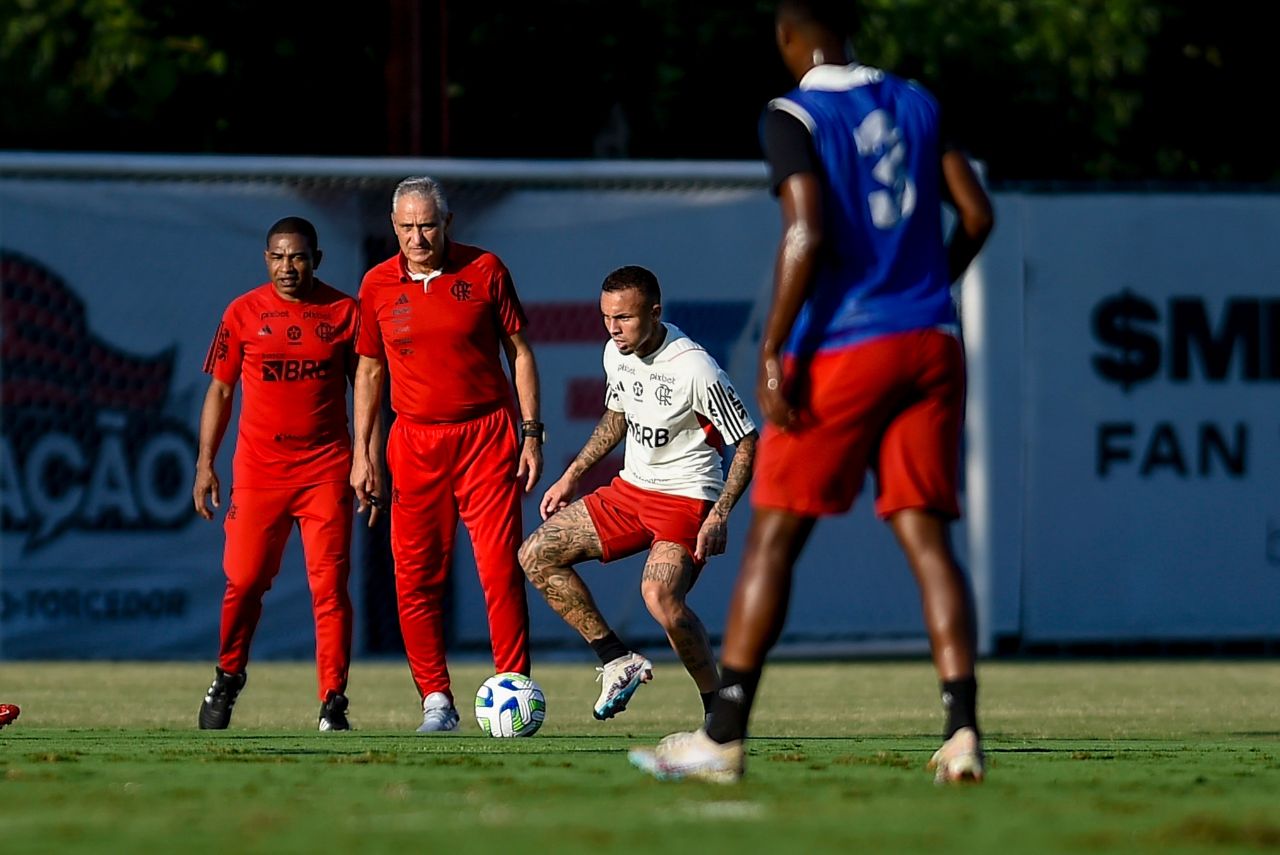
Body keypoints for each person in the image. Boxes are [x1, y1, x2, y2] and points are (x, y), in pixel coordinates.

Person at [630, 0, 995, 783]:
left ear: (791, 37)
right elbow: (976, 213)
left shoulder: (792, 112)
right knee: (928, 538)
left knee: (774, 539)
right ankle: (962, 730)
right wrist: (929, 288)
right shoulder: (917, 101)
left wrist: (770, 349)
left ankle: (723, 734)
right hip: (931, 342)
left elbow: (808, 229)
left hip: (845, 347)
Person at [519, 265, 757, 724]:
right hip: (630, 492)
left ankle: (719, 709)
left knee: (660, 598)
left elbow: (747, 441)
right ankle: (616, 660)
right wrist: (573, 475)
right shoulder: (616, 352)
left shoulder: (695, 369)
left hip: (687, 498)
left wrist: (720, 514)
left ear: (655, 313)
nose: (614, 328)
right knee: (536, 553)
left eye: (625, 318)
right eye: (607, 317)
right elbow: (617, 416)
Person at [349, 176, 543, 733]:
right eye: (407, 227)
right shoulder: (377, 285)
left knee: (501, 570)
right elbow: (369, 369)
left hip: (486, 436)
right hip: (414, 442)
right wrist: (364, 454)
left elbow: (520, 352)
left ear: (448, 223)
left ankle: (515, 691)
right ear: (393, 227)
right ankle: (436, 698)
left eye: (427, 225)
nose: (417, 237)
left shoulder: (485, 270)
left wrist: (532, 433)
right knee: (414, 577)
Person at [193, 217, 369, 732]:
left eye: (297, 257)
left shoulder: (343, 312)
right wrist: (205, 462)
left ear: (316, 258)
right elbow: (221, 391)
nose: (287, 267)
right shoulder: (243, 313)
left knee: (330, 588)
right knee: (244, 581)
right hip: (259, 472)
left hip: (325, 470)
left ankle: (333, 702)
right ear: (265, 257)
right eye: (277, 256)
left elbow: (367, 390)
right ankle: (228, 675)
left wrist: (366, 458)